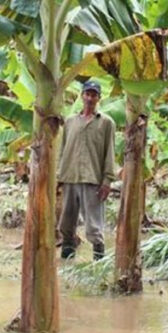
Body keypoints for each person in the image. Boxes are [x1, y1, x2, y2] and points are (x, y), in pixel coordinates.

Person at [57, 80, 116, 261]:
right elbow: (63, 150)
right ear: (82, 96)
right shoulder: (70, 122)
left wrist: (107, 181)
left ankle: (99, 261)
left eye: (94, 95)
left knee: (93, 226)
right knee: (66, 223)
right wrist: (59, 177)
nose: (90, 98)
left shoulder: (106, 123)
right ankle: (67, 261)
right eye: (87, 94)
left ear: (99, 98)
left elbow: (110, 152)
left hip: (92, 179)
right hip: (70, 177)